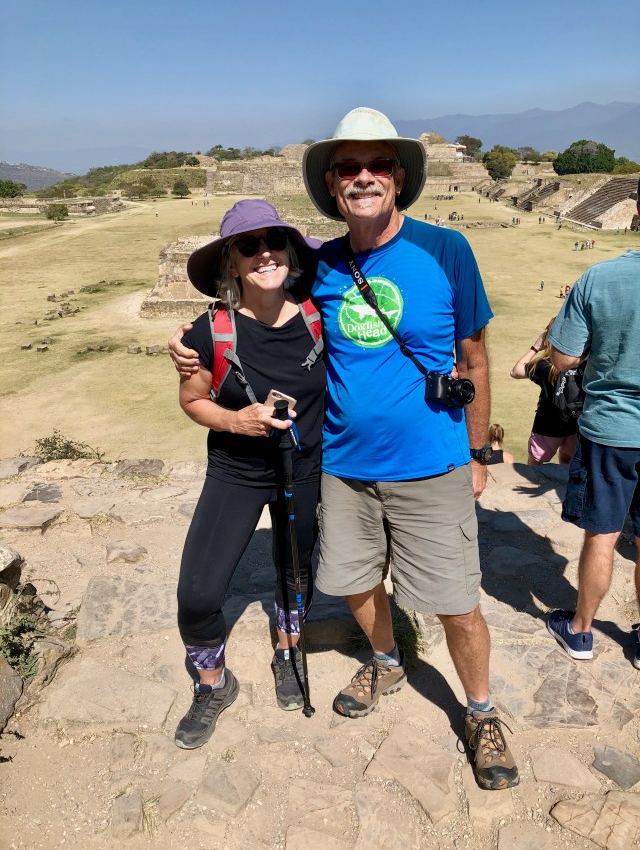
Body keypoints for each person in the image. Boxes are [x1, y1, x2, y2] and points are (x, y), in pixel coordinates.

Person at [170, 107, 519, 790]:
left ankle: (480, 710)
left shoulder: (445, 251)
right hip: (344, 467)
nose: (363, 177)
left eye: (377, 165)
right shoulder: (320, 264)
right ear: (332, 183)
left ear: (399, 176)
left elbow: (474, 358)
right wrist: (188, 347)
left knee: (455, 599)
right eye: (349, 168)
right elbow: (253, 304)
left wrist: (478, 454)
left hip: (433, 461)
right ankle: (387, 661)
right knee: (356, 582)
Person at [173, 200, 326, 750]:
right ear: (231, 263)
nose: (265, 253)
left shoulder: (319, 314)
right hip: (235, 471)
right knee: (197, 591)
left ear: (289, 252)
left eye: (274, 242)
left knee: (295, 574)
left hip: (305, 469)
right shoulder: (208, 332)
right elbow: (193, 401)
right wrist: (236, 419)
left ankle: (288, 652)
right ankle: (213, 681)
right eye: (248, 245)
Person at [546, 182, 640, 667]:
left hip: (612, 430)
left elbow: (562, 357)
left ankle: (581, 630)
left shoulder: (601, 277)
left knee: (602, 534)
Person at [510, 320, 581, 465]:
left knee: (535, 465)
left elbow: (515, 372)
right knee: (567, 460)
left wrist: (535, 347)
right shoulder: (584, 362)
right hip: (575, 425)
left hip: (547, 426)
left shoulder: (545, 366)